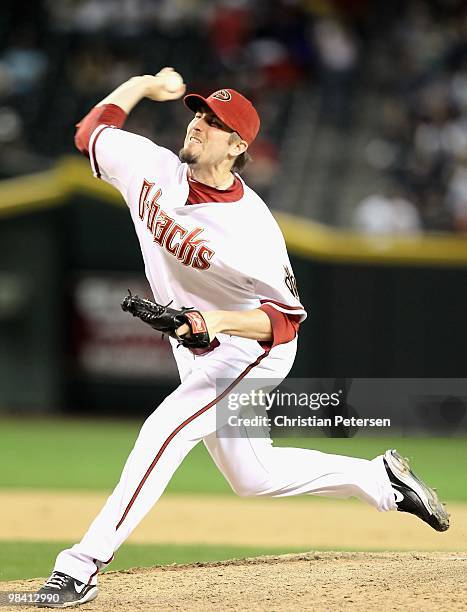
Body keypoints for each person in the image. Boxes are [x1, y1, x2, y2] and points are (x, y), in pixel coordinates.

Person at [36, 68, 449, 608]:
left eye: (214, 122)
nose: (198, 125)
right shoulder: (149, 165)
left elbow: (285, 319)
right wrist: (141, 84)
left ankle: (79, 567)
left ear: (237, 145)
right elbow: (91, 132)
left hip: (250, 350)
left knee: (166, 429)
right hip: (200, 344)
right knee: (253, 476)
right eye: (199, 114)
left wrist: (216, 324)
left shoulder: (252, 228)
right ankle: (381, 481)